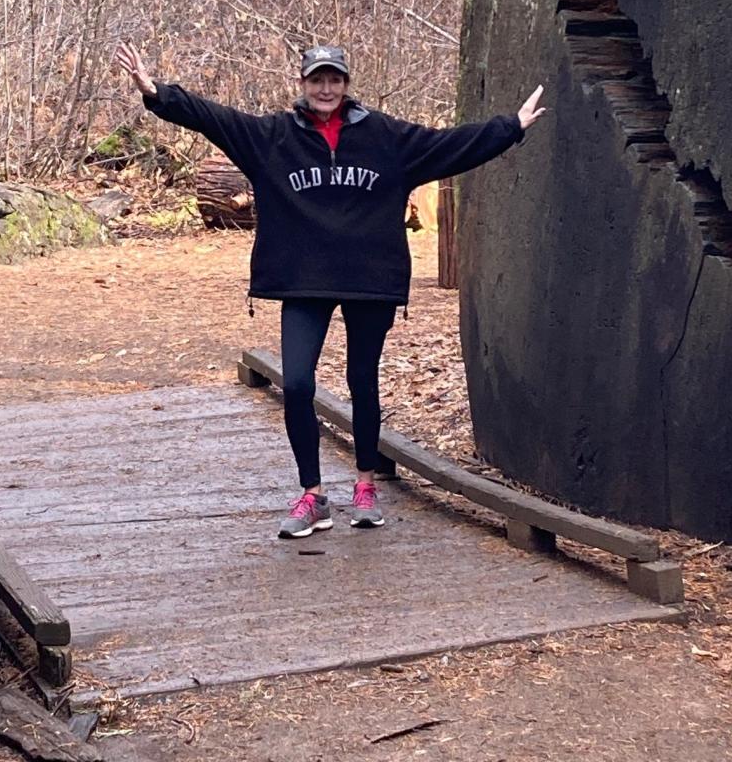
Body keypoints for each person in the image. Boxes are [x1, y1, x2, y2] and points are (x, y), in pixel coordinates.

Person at [116, 41, 545, 539]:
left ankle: (365, 485)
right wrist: (156, 94)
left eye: (335, 79)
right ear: (302, 83)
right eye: (317, 79)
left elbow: (448, 145)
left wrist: (509, 128)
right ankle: (312, 495)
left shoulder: (385, 136)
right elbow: (213, 118)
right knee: (297, 382)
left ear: (346, 84)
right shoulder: (271, 137)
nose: (326, 88)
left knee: (362, 380)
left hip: (369, 281)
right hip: (304, 279)